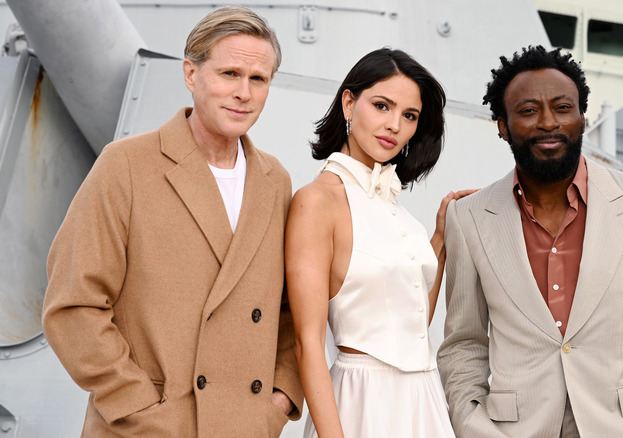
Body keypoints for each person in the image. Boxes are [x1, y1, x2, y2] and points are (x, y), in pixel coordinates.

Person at [41, 6, 302, 436]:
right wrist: (139, 406)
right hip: (143, 428)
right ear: (190, 75)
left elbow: (287, 311)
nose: (244, 93)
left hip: (244, 427)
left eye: (258, 79)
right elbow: (73, 304)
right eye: (229, 74)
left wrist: (279, 399)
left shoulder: (275, 181)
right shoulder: (125, 164)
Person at [437, 45, 623, 438]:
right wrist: (473, 425)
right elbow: (463, 346)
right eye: (528, 111)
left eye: (563, 108)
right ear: (502, 125)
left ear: (582, 118)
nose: (548, 122)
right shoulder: (467, 218)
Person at [286, 48, 471, 438]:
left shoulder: (398, 209)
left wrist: (439, 239)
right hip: (360, 402)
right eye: (382, 106)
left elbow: (413, 324)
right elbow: (307, 343)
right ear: (349, 103)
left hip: (423, 398)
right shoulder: (317, 201)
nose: (394, 126)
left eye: (409, 116)